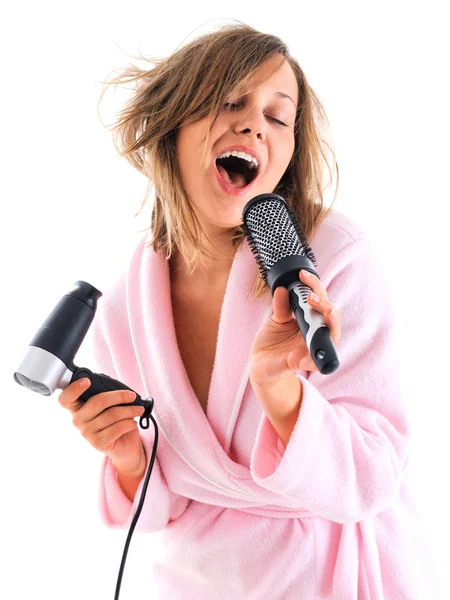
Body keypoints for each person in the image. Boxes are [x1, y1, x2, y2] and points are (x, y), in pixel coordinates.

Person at [58, 23, 438, 599]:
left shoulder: (333, 260)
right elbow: (167, 502)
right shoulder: (124, 307)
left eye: (277, 116)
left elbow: (374, 475)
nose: (253, 123)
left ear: (287, 151)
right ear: (174, 124)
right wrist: (129, 457)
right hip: (193, 582)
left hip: (326, 578)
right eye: (229, 101)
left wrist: (281, 396)